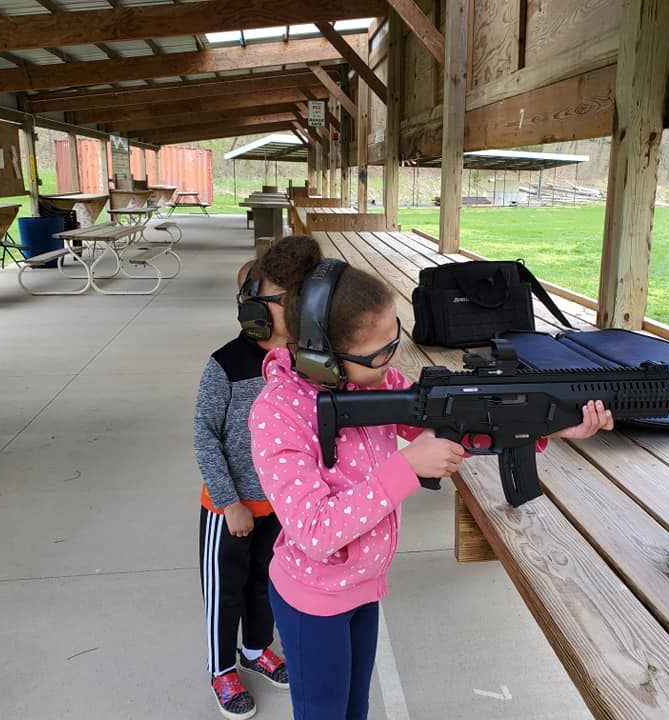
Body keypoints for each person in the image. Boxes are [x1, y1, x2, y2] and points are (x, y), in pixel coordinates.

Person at [248, 260, 614, 720]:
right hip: (313, 598)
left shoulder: (373, 379)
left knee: (355, 706)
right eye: (379, 355)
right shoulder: (277, 414)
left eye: (394, 342)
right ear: (324, 356)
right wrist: (405, 467)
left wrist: (556, 423)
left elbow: (445, 416)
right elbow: (315, 530)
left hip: (363, 584)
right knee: (322, 711)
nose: (393, 364)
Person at [194, 236, 323, 720]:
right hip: (230, 508)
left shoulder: (302, 362)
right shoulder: (225, 365)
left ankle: (255, 650)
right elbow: (205, 436)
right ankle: (222, 667)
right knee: (225, 590)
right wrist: (229, 502)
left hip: (282, 506)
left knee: (267, 587)